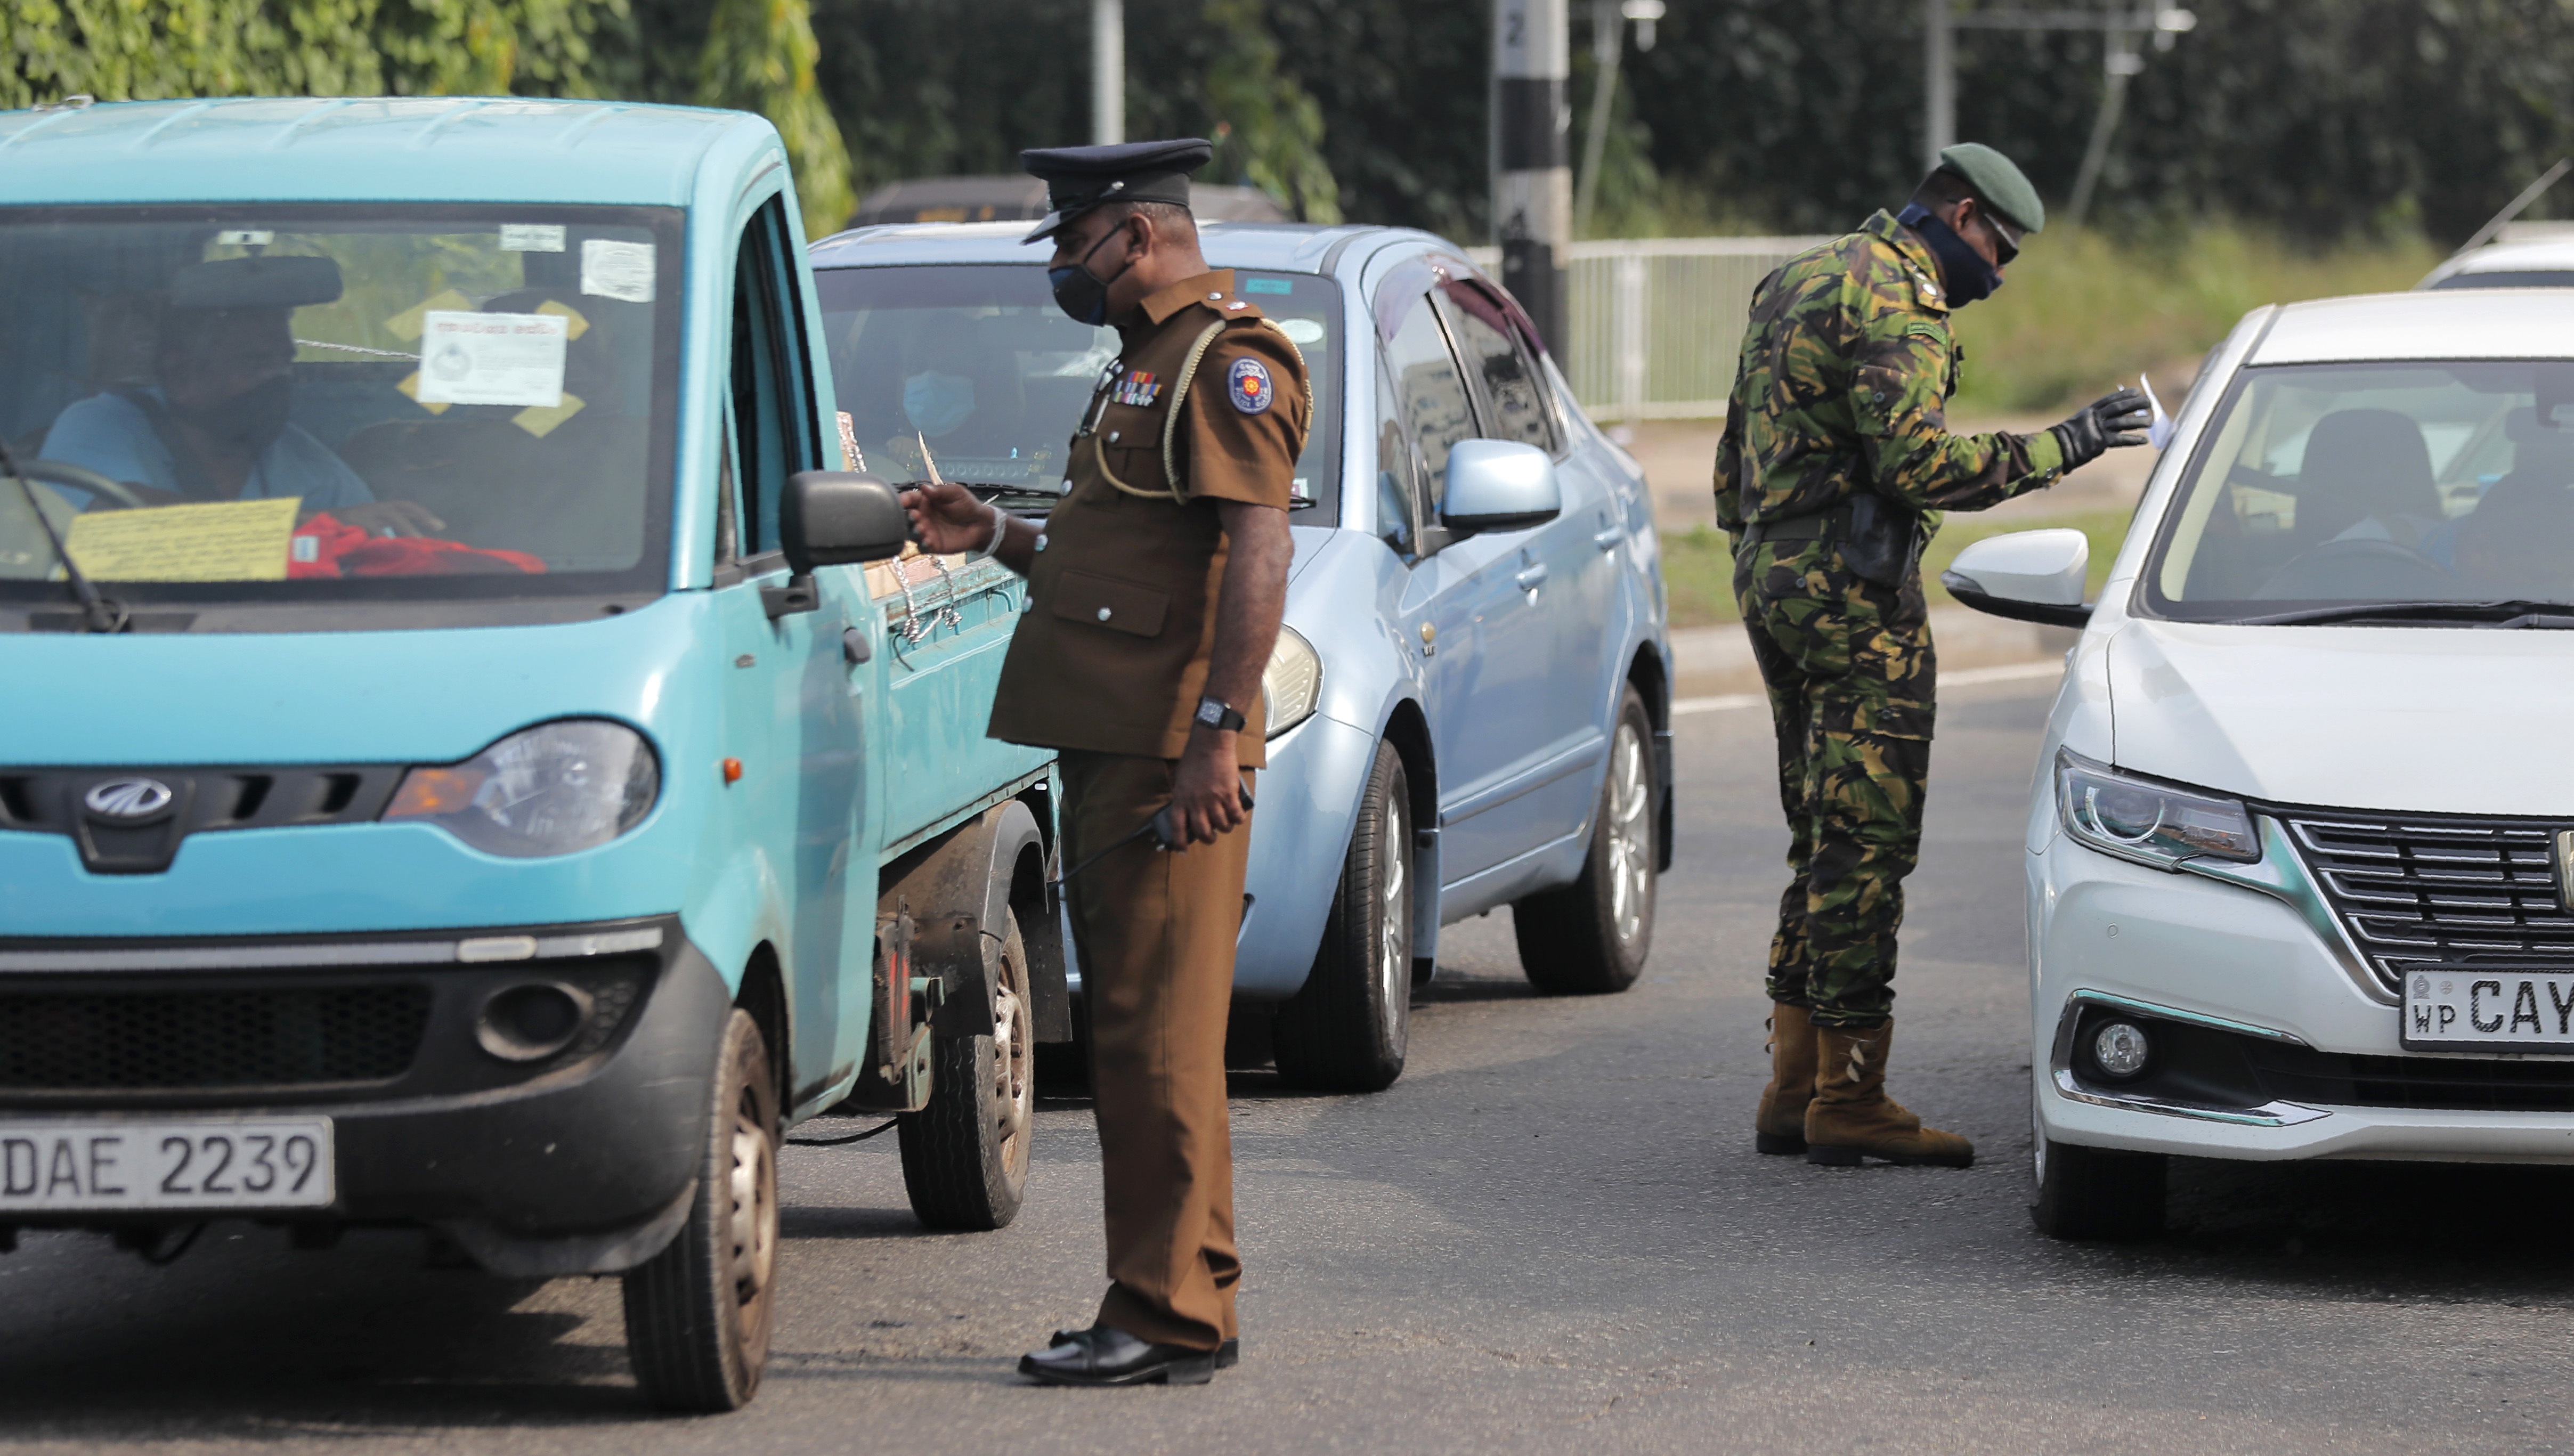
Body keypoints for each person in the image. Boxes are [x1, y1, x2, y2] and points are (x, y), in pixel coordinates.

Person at [901, 137, 1304, 1387]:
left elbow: (1259, 554)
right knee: (1146, 1036)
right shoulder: (1144, 364)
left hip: (1166, 755)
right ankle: (1193, 1297)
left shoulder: (1226, 364)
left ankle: (1163, 1312)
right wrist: (997, 532)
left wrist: (1216, 735)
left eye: (1075, 244)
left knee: (1152, 1044)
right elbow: (1119, 560)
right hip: (1120, 745)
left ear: (1136, 234)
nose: (1064, 268)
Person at [1714, 142, 2149, 1169]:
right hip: (1852, 597)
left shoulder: (1799, 277)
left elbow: (1736, 455)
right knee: (1867, 845)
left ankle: (1793, 1084)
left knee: (1820, 832)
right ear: (1959, 218)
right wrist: (2069, 443)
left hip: (1772, 576)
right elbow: (1918, 464)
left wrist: (1773, 555)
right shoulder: (1900, 302)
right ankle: (1849, 1097)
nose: (1998, 277)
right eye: (1999, 251)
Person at [42, 256, 439, 538]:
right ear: (181, 375)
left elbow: (369, 542)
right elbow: (110, 512)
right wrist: (311, 524)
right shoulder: (101, 424)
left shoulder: (310, 465)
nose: (277, 379)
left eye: (284, 361)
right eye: (255, 362)